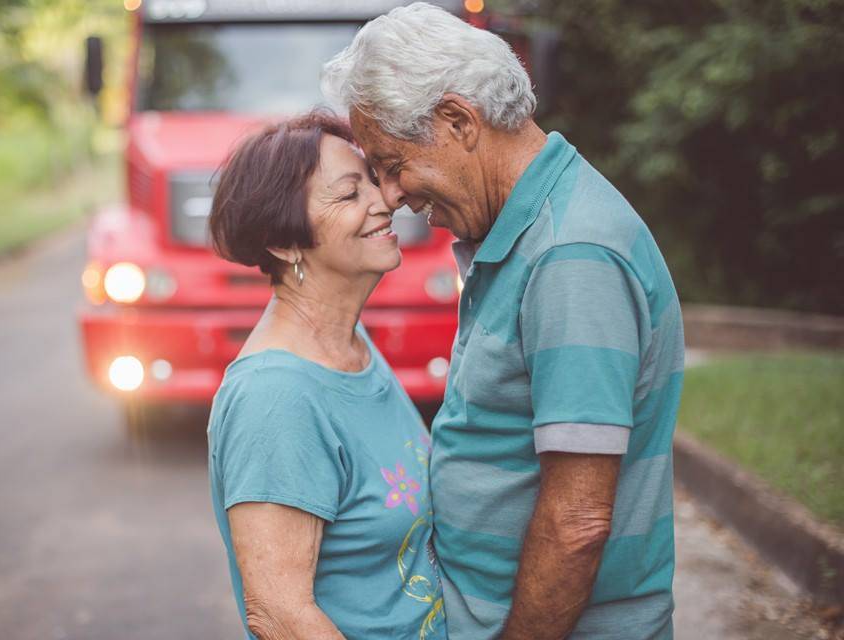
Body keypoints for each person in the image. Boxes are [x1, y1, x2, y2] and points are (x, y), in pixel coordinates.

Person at [322, 4, 685, 639]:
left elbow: (577, 523)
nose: (390, 195)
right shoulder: (520, 232)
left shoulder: (571, 256)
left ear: (460, 121)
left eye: (391, 162)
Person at [206, 111, 447, 640]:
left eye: (372, 183)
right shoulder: (276, 397)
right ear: (283, 242)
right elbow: (280, 616)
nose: (384, 202)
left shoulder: (353, 348)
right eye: (347, 195)